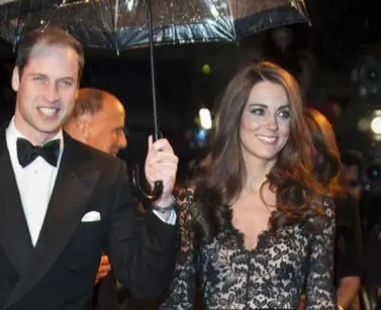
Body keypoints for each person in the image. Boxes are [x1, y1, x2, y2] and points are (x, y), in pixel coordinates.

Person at [0, 25, 179, 310]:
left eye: (65, 82)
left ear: (77, 88)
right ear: (16, 78)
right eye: (40, 79)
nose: (52, 95)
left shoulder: (107, 173)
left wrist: (163, 201)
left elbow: (145, 281)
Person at [160, 60, 336, 309]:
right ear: (236, 115)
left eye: (283, 114)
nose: (272, 125)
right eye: (259, 111)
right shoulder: (196, 199)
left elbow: (322, 301)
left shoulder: (313, 205)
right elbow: (178, 299)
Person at [65, 87, 128, 309]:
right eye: (116, 130)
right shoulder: (42, 183)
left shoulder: (113, 185)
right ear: (84, 127)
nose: (123, 141)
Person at [306, 108, 363, 310]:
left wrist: (334, 307)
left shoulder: (341, 203)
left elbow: (351, 274)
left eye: (305, 143)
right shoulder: (269, 197)